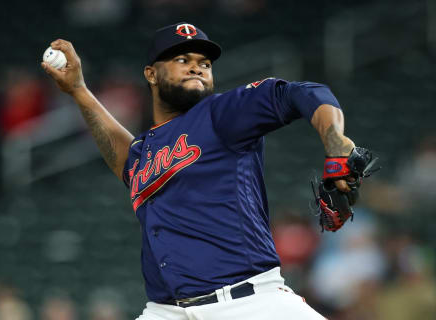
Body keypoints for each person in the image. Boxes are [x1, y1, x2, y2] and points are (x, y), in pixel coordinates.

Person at [42, 22, 358, 320]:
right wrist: (79, 91)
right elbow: (126, 160)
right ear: (151, 74)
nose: (197, 66)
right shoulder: (146, 154)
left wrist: (336, 142)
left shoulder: (222, 114)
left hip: (249, 304)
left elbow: (301, 92)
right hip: (165, 312)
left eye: (205, 63)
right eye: (182, 59)